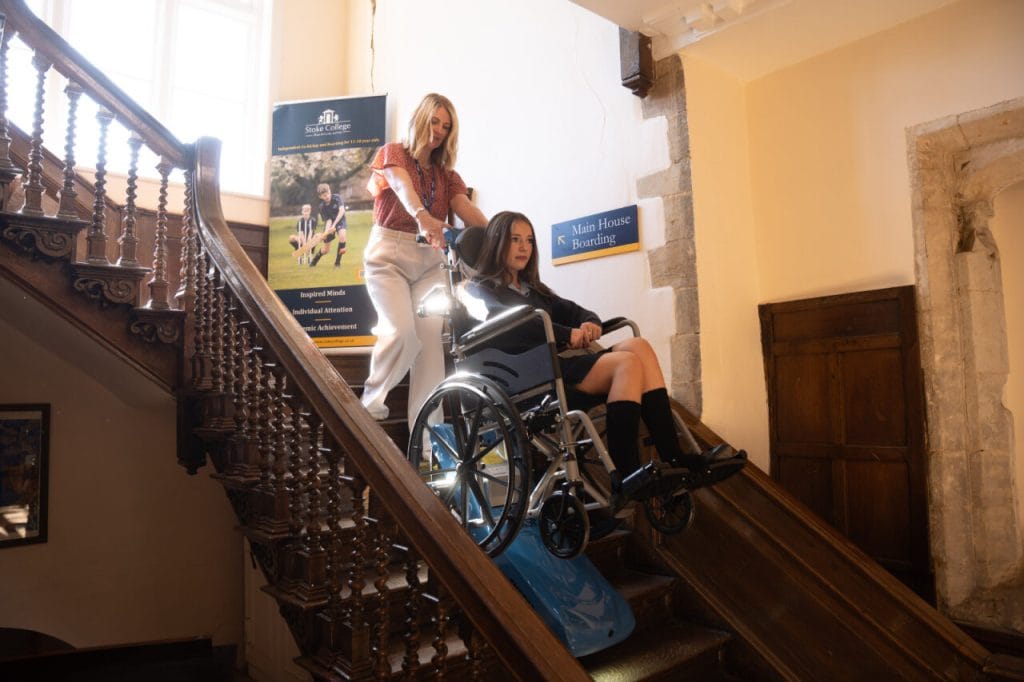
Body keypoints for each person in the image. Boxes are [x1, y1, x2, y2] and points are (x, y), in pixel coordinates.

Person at [463, 211, 744, 501]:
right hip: (525, 380)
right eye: (515, 240)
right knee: (626, 363)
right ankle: (627, 474)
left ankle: (673, 456)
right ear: (497, 242)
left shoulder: (534, 291)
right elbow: (512, 327)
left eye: (529, 241)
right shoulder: (479, 290)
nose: (524, 247)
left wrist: (589, 322)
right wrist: (564, 334)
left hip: (555, 369)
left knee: (639, 347)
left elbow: (573, 310)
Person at [360, 93, 487, 426]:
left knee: (431, 350)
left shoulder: (448, 175)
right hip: (388, 256)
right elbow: (402, 188)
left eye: (446, 126)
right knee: (401, 333)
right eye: (435, 121)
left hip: (430, 262)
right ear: (421, 118)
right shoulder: (393, 153)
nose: (440, 131)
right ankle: (369, 406)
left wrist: (498, 232)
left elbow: (465, 208)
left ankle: (429, 444)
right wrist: (423, 216)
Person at [309, 183, 347, 267]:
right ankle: (314, 260)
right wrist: (326, 232)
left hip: (340, 220)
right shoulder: (322, 207)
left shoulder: (337, 198)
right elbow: (328, 220)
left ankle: (337, 263)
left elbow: (342, 211)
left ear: (330, 191)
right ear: (320, 197)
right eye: (324, 195)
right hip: (330, 224)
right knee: (326, 250)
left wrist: (334, 225)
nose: (327, 196)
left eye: (328, 193)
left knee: (342, 236)